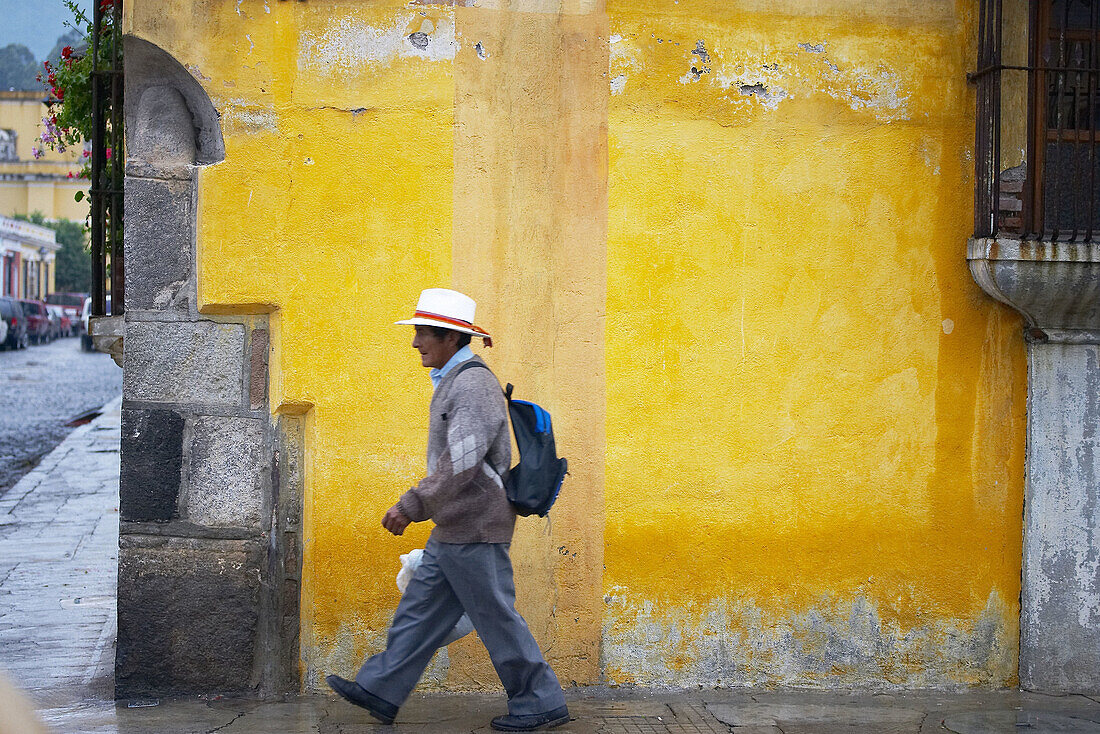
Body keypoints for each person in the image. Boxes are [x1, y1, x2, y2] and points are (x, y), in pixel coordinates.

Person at [326, 288, 570, 732]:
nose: (415, 342)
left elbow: (462, 459)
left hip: (476, 525)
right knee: (419, 612)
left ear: (450, 339)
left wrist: (412, 504)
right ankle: (381, 688)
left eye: (422, 333)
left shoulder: (473, 384)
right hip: (456, 524)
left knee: (497, 618)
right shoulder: (456, 381)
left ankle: (539, 700)